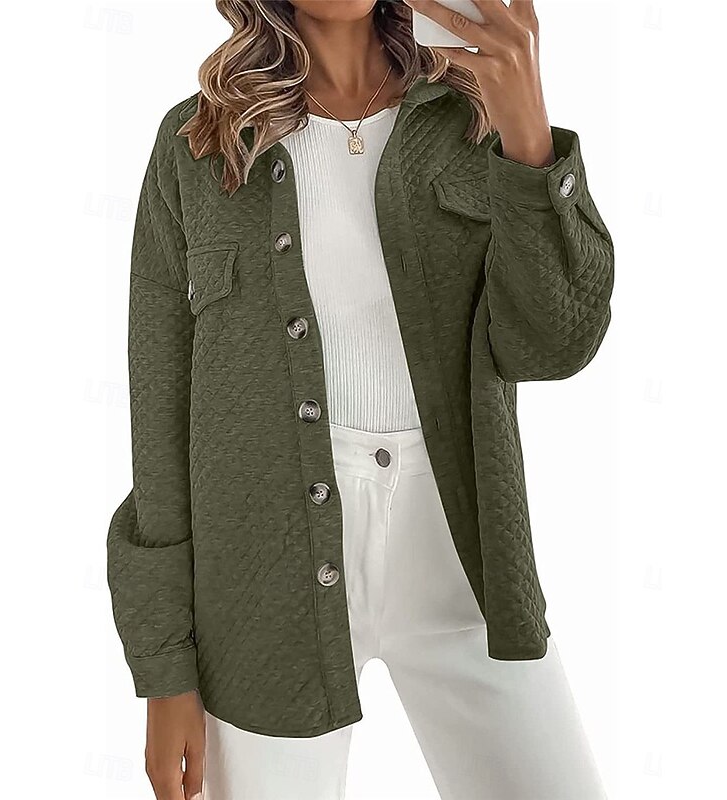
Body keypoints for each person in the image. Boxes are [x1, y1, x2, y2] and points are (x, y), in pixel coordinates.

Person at [106, 1, 615, 798]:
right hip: (261, 579)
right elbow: (159, 422)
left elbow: (555, 347)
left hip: (463, 559)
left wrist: (529, 134)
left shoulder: (473, 119)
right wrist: (163, 667)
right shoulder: (198, 143)